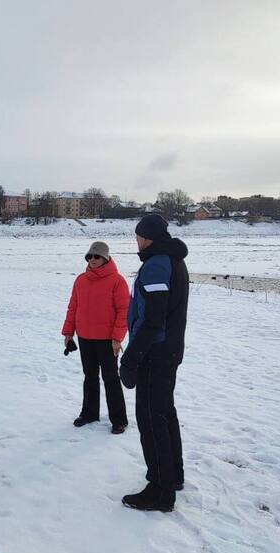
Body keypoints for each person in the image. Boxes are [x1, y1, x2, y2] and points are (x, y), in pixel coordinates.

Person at [119, 214, 188, 513]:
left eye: (138, 236)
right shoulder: (170, 259)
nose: (136, 241)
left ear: (146, 237)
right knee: (163, 413)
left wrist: (132, 356)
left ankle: (160, 490)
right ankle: (173, 476)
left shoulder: (158, 263)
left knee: (150, 419)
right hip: (166, 350)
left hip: (155, 352)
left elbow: (154, 318)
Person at [62, 241, 130, 434]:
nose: (92, 260)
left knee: (110, 378)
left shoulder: (117, 281)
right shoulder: (81, 280)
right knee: (89, 376)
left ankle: (119, 420)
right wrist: (68, 332)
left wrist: (117, 338)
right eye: (89, 256)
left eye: (97, 256)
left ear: (105, 258)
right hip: (85, 337)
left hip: (107, 340)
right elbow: (73, 307)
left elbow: (124, 311)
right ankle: (90, 413)